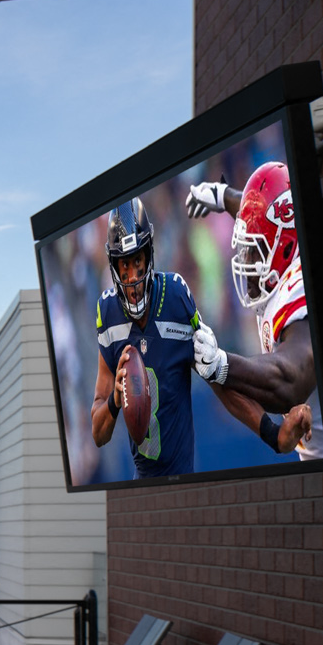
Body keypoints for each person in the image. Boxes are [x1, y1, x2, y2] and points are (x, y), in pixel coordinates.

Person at [186, 163, 320, 458]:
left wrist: (223, 364)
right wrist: (224, 196)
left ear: (285, 247)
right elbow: (262, 215)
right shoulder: (289, 241)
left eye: (253, 249)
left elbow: (290, 379)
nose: (245, 261)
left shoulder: (299, 291)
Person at [90, 198, 199, 476]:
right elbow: (98, 435)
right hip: (143, 481)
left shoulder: (175, 295)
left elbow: (218, 371)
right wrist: (115, 399)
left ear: (148, 255)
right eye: (123, 265)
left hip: (183, 476)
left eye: (136, 261)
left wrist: (269, 431)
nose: (132, 276)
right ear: (113, 267)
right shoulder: (107, 312)